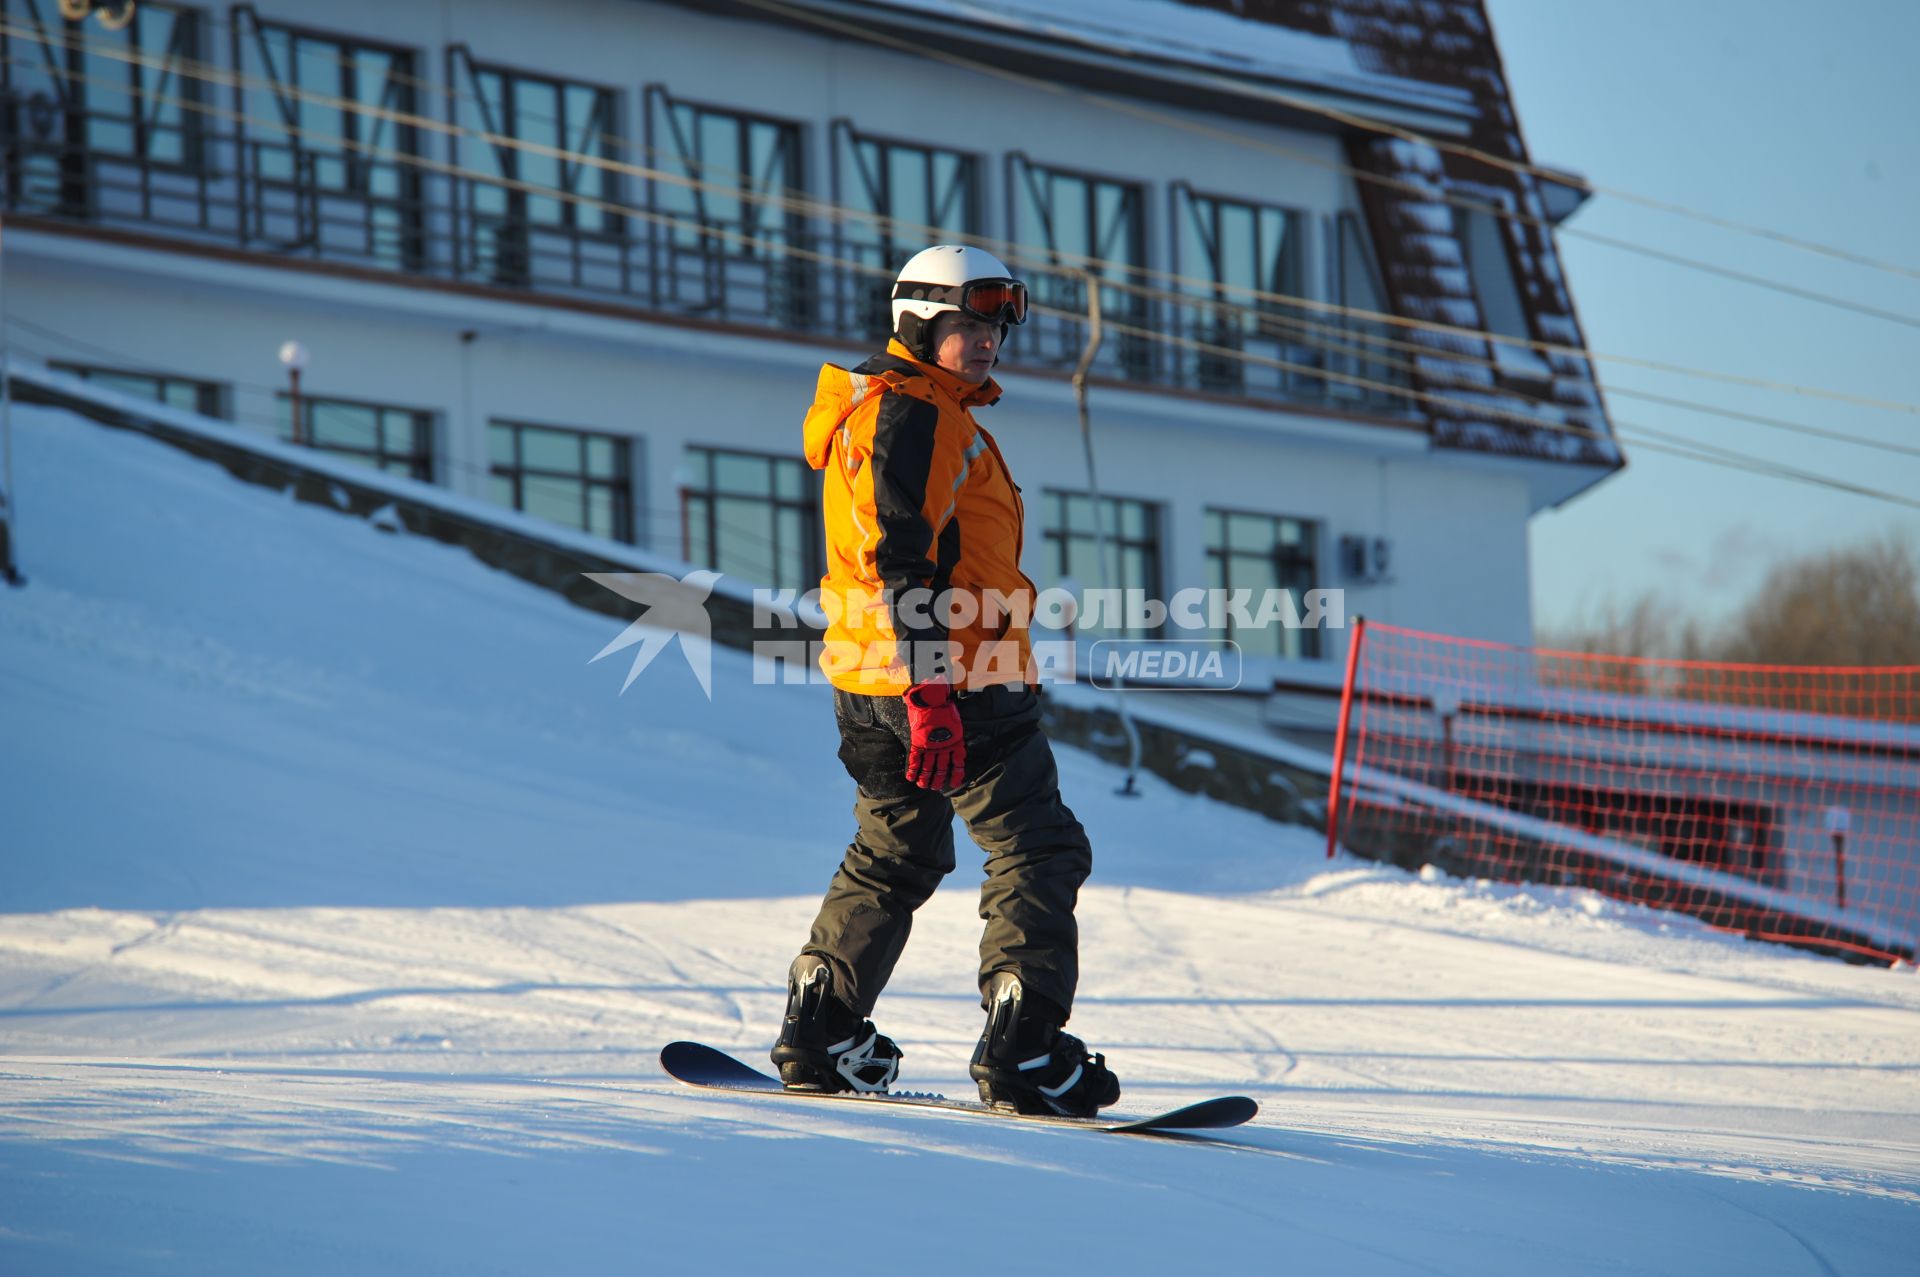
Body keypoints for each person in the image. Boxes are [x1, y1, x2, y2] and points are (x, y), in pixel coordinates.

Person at [771, 245, 1120, 1117]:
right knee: (1037, 848)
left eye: (997, 324)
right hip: (955, 683)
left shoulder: (878, 412)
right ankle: (1024, 1051)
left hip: (870, 680)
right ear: (919, 323)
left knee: (898, 852)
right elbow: (902, 558)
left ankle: (822, 1029)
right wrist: (932, 697)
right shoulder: (918, 414)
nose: (989, 340)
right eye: (970, 323)